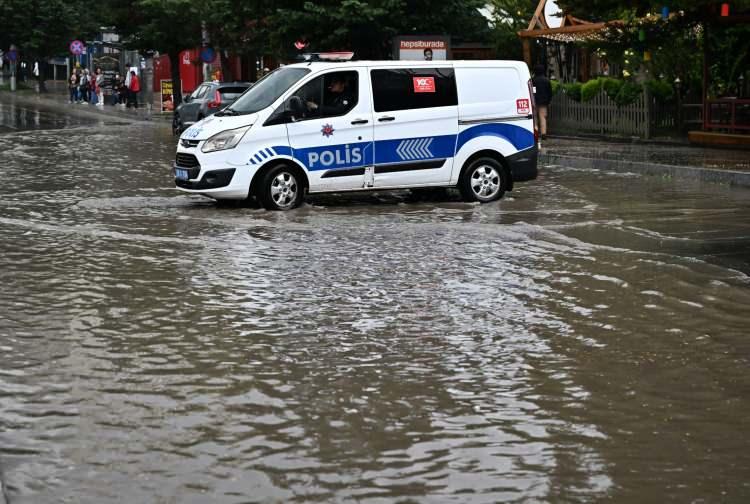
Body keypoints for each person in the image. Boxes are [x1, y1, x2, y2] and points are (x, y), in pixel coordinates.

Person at [532, 64, 552, 140]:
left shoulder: (533, 80)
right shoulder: (546, 80)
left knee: (535, 118)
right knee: (543, 117)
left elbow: (532, 91)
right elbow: (550, 92)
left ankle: (536, 133)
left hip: (534, 102)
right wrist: (548, 101)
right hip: (544, 102)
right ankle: (544, 134)